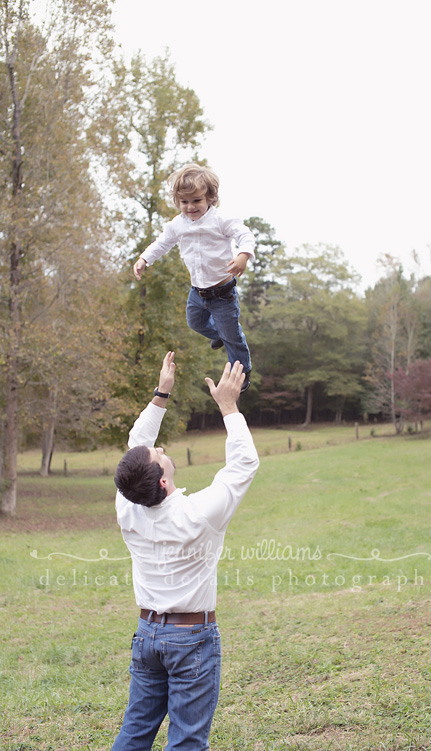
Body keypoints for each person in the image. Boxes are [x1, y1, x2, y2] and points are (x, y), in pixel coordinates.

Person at [112, 351, 259, 751]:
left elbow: (136, 447)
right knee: (187, 741)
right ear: (161, 480)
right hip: (191, 638)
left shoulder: (128, 506)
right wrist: (229, 406)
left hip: (148, 635)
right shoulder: (197, 515)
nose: (158, 449)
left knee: (135, 732)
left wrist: (162, 393)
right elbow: (244, 464)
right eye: (158, 455)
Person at [133, 164, 255, 393]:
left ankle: (243, 369)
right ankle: (217, 334)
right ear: (177, 202)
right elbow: (162, 243)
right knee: (195, 323)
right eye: (184, 202)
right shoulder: (177, 224)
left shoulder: (220, 220)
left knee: (232, 337)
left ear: (210, 198)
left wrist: (243, 255)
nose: (190, 207)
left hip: (222, 293)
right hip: (197, 292)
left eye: (196, 200)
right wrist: (144, 259)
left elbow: (244, 234)